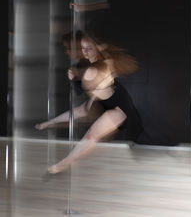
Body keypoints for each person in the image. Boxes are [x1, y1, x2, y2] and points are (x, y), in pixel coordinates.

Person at [36, 31, 144, 173]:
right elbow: (85, 88)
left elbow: (98, 76)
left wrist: (78, 75)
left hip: (119, 106)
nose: (85, 51)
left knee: (92, 133)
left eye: (89, 48)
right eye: (83, 48)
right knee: (82, 111)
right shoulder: (84, 64)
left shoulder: (105, 63)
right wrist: (76, 77)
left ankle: (65, 163)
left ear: (98, 47)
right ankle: (49, 123)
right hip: (102, 102)